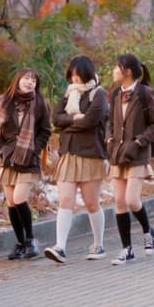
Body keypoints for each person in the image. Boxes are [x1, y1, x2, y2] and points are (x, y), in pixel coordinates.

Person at [43, 55, 109, 263]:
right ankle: (60, 247)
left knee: (91, 203)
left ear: (88, 74)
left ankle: (98, 244)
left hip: (91, 155)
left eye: (78, 75)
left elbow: (91, 120)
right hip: (68, 153)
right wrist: (73, 119)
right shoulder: (68, 93)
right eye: (72, 75)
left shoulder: (99, 94)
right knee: (65, 200)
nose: (75, 79)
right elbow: (56, 118)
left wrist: (67, 124)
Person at [106, 53, 154, 265]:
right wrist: (109, 140)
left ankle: (148, 231)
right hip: (118, 154)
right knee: (119, 202)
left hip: (138, 155)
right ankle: (126, 249)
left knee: (131, 200)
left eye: (116, 67)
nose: (113, 71)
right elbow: (110, 122)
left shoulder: (146, 94)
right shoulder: (114, 94)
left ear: (127, 71)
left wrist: (139, 142)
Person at [0, 67, 52, 260]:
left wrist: (35, 148)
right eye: (26, 78)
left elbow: (45, 130)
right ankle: (20, 243)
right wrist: (1, 150)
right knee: (10, 202)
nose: (30, 82)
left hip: (28, 159)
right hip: (8, 158)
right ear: (17, 80)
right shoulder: (4, 101)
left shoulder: (40, 103)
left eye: (33, 80)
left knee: (19, 198)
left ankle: (31, 240)